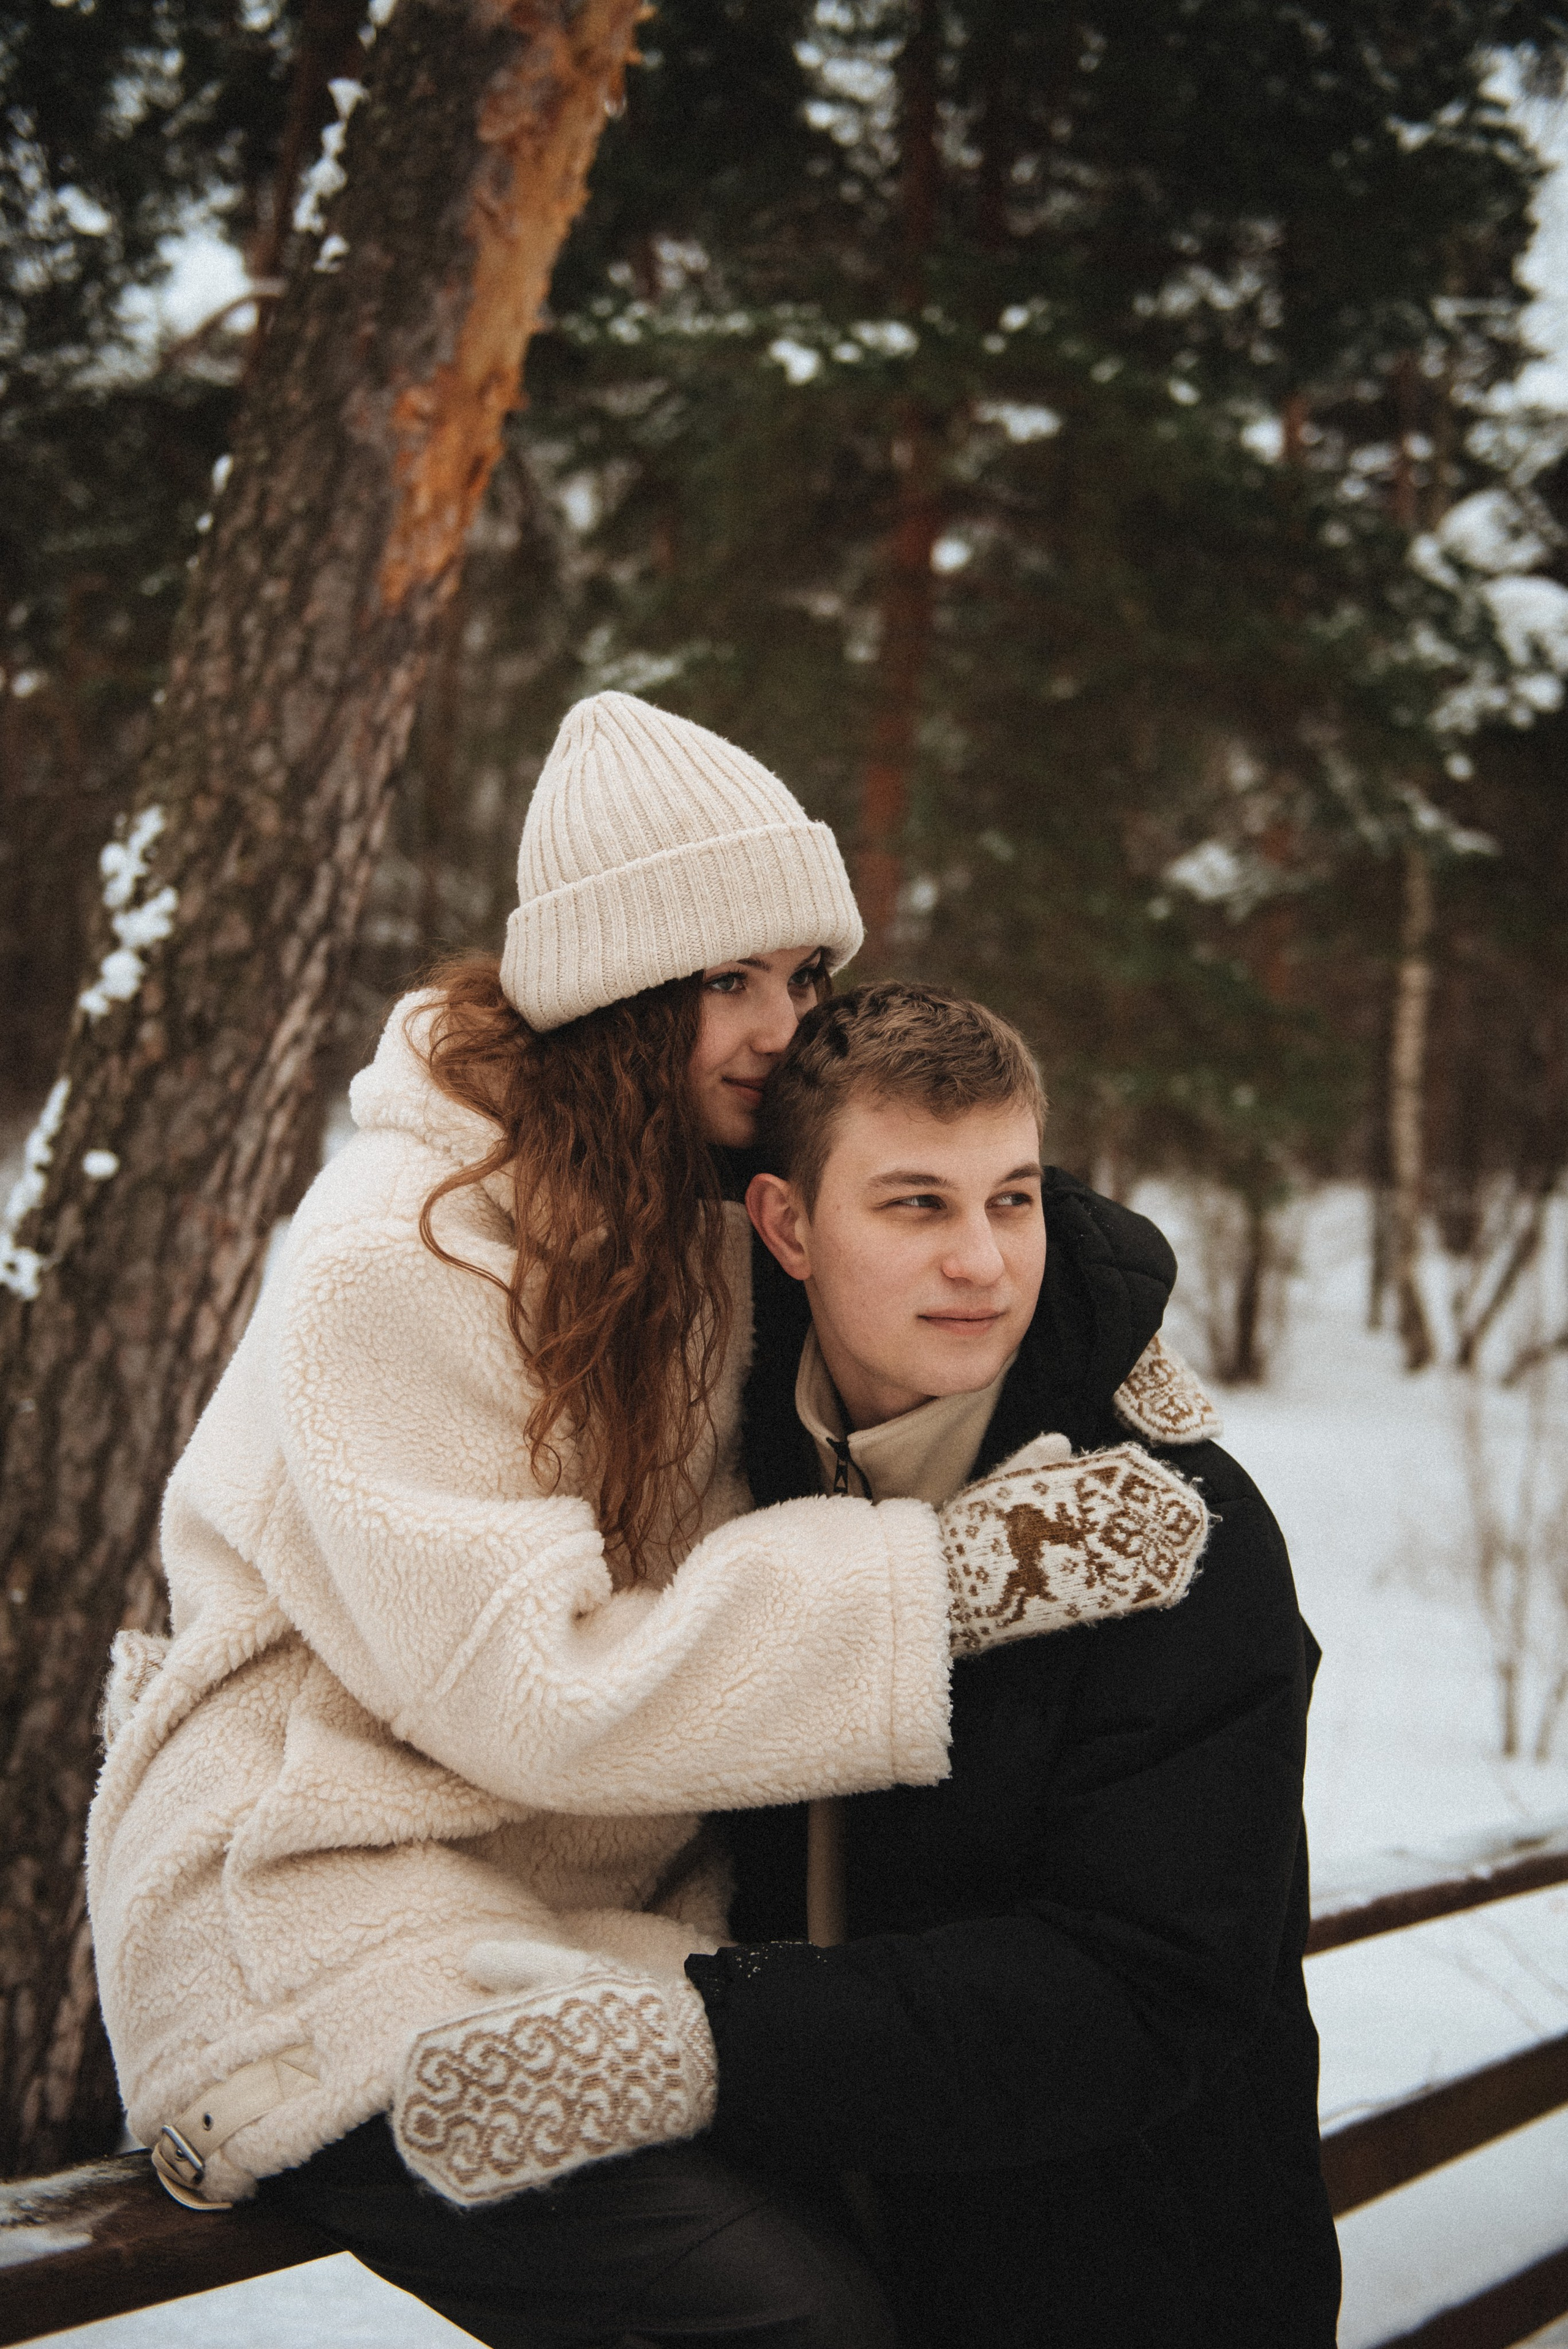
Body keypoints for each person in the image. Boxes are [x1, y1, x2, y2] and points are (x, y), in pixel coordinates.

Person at [86, 694, 1208, 2349]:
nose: (777, 1025)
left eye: (800, 975)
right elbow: (529, 1684)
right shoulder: (402, 1252)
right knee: (792, 2318)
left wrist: (1095, 1351)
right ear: (611, 994)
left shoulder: (707, 1199)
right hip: (323, 1912)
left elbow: (931, 1189)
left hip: (590, 1913)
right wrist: (951, 1581)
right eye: (721, 979)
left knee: (964, 2237)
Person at [690, 981, 1342, 2348]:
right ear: (787, 1226)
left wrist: (704, 2040)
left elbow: (1138, 1988)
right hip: (813, 2277)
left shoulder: (1165, 1531)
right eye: (916, 1204)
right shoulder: (717, 1493)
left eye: (1012, 1198)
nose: (983, 1262)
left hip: (1131, 2294)